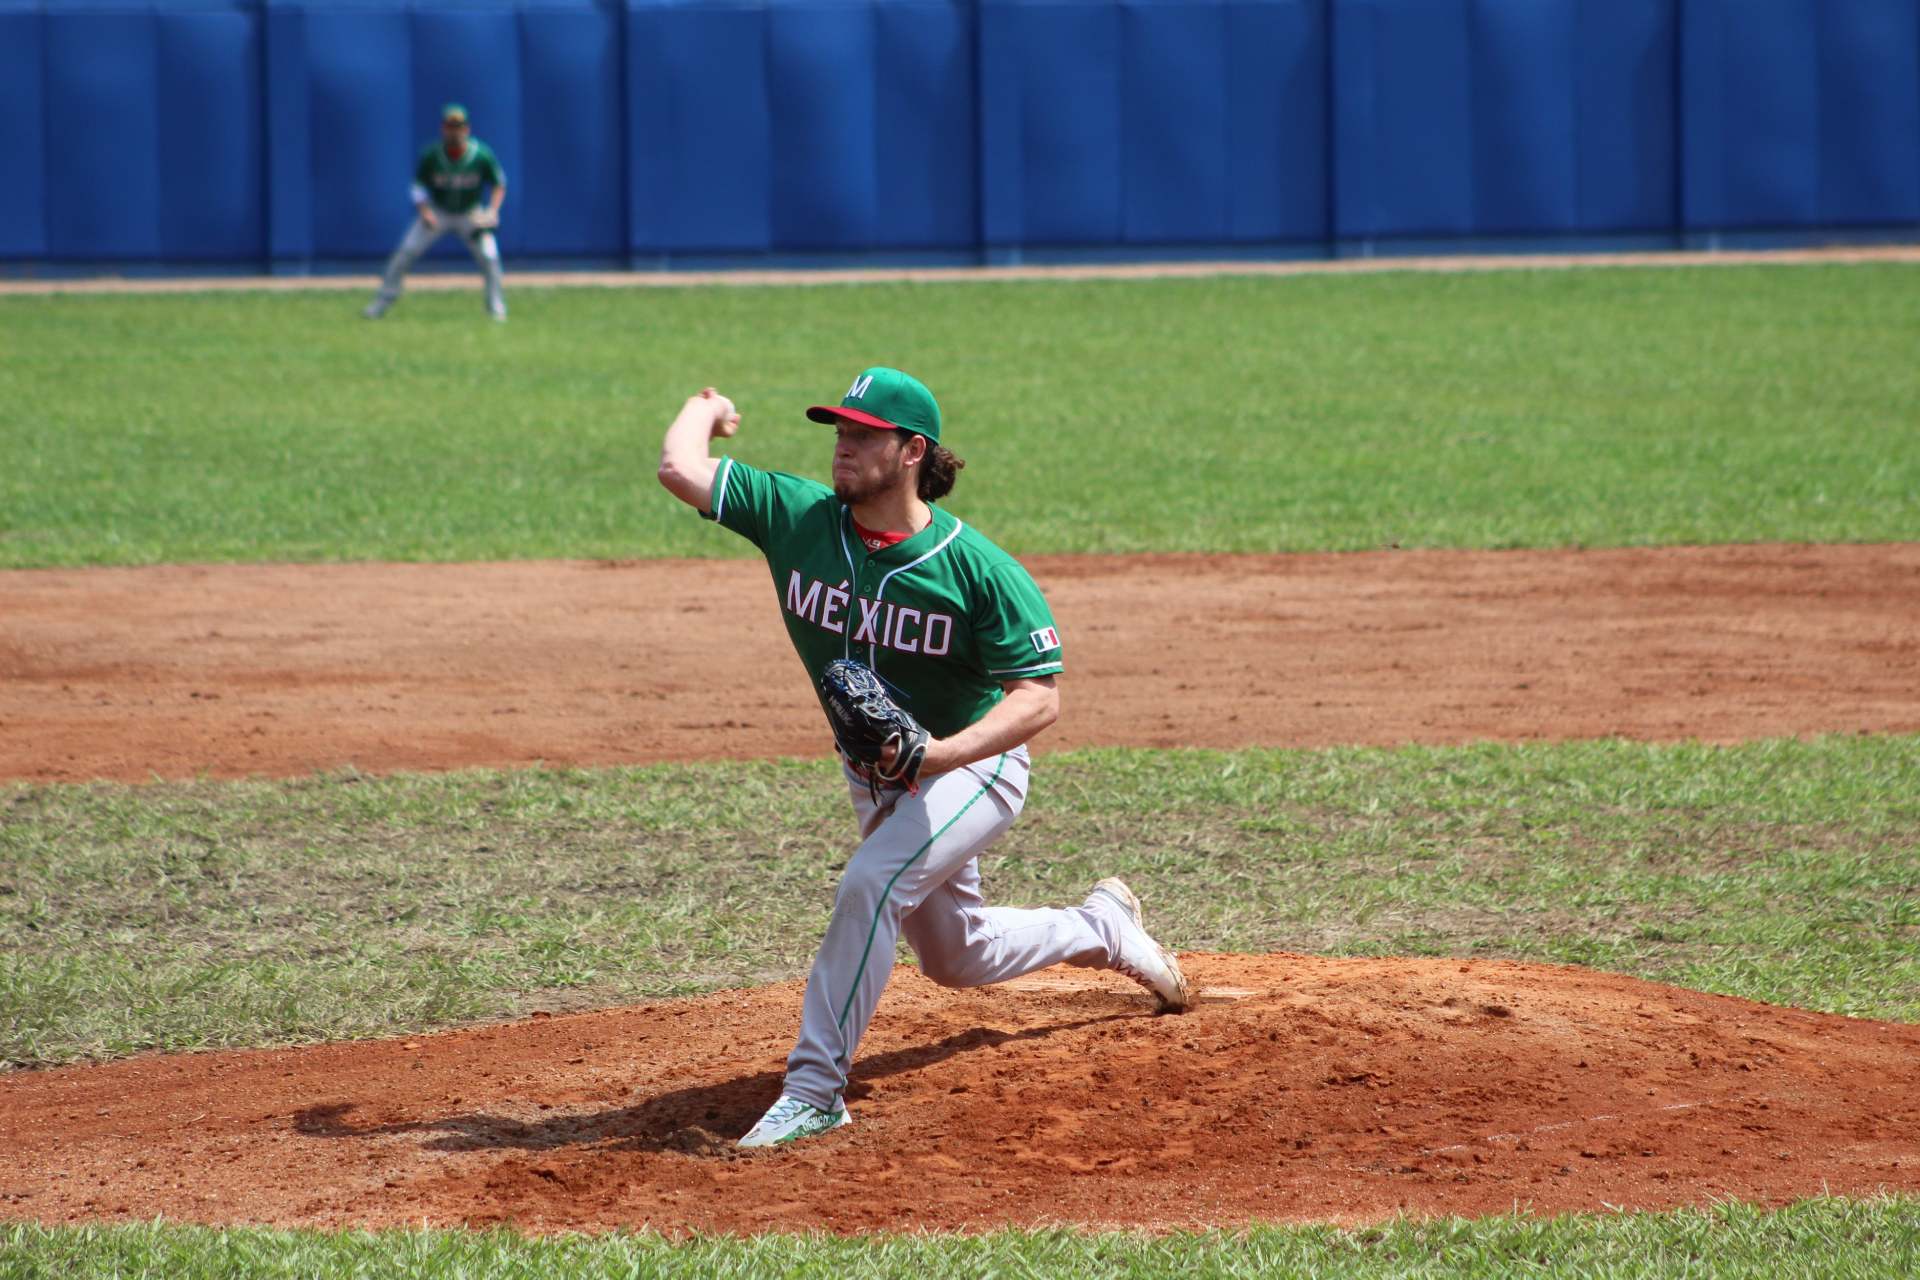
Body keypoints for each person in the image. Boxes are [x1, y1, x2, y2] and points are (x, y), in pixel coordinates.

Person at [656, 369, 1191, 1150]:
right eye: (838, 432)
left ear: (912, 451)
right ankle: (1102, 929)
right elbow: (680, 469)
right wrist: (702, 408)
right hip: (878, 775)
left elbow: (1038, 699)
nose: (842, 448)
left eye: (862, 435)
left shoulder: (979, 570)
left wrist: (942, 755)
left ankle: (814, 1091)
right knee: (958, 954)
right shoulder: (799, 517)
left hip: (974, 767)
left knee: (871, 885)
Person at [362, 103, 508, 321]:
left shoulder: (482, 155)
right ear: (443, 128)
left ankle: (496, 307)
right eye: (450, 126)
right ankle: (381, 302)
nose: (454, 131)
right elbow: (418, 188)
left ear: (467, 129)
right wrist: (425, 211)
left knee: (490, 256)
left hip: (471, 213)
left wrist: (492, 211)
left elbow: (499, 183)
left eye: (459, 126)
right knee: (406, 252)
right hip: (438, 212)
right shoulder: (431, 155)